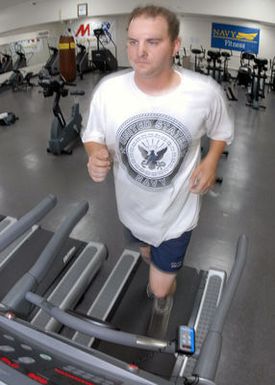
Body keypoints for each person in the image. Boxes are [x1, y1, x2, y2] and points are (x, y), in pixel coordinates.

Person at [82, 5, 234, 314]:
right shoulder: (109, 92)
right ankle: (154, 259)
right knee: (147, 254)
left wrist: (212, 160)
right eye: (133, 42)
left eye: (152, 42)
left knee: (159, 289)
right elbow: (93, 135)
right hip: (131, 209)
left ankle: (163, 296)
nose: (139, 52)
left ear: (174, 45)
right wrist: (95, 155)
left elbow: (221, 132)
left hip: (177, 214)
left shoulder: (204, 92)